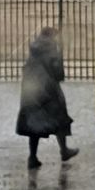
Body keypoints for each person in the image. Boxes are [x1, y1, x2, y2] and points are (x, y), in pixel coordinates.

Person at [16, 28, 78, 167]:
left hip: (31, 91)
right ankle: (64, 151)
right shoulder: (51, 48)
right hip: (48, 89)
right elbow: (58, 73)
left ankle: (32, 157)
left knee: (34, 124)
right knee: (60, 118)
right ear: (52, 36)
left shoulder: (34, 48)